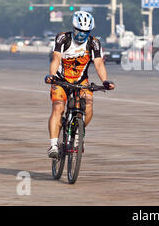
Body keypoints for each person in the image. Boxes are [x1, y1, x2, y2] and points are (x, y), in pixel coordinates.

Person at [45, 11, 115, 158]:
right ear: (74, 28)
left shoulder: (94, 43)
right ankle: (53, 145)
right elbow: (56, 58)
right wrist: (51, 76)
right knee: (58, 107)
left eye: (86, 32)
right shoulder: (63, 38)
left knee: (88, 104)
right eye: (80, 31)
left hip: (81, 81)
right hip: (60, 80)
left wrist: (105, 81)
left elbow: (99, 64)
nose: (82, 35)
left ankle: (78, 132)